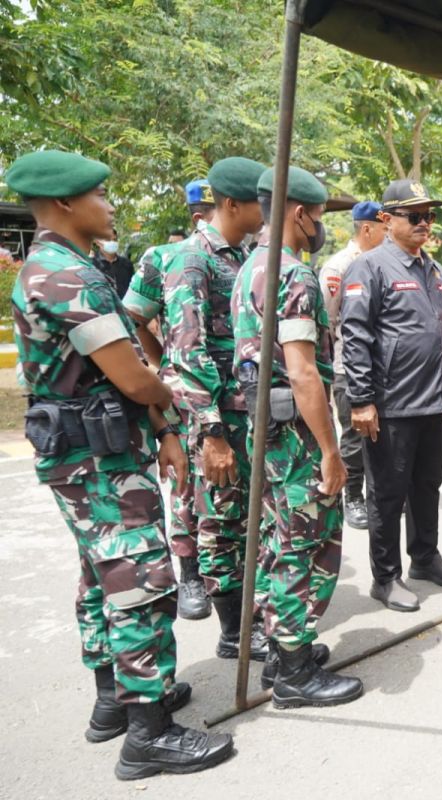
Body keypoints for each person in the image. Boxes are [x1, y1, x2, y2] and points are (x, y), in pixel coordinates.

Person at [8, 149, 232, 778]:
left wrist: (157, 425)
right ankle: (148, 733)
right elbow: (132, 377)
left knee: (101, 576)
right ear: (63, 205)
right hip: (94, 460)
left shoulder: (71, 264)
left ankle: (115, 701)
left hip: (93, 451)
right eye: (100, 196)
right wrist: (172, 395)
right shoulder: (62, 273)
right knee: (141, 579)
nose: (111, 206)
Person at [231, 165, 362, 706]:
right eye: (319, 217)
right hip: (297, 438)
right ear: (300, 213)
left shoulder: (250, 269)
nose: (320, 227)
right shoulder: (294, 275)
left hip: (265, 431)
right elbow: (304, 372)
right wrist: (331, 451)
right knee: (304, 547)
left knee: (276, 541)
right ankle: (293, 672)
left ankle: (283, 651)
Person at [161, 156, 270, 660]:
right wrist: (212, 433)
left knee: (249, 520)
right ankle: (234, 632)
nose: (265, 209)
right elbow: (186, 351)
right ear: (232, 204)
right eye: (258, 202)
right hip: (218, 420)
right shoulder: (193, 259)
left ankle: (253, 619)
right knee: (222, 522)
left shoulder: (241, 255)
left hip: (247, 413)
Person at [342, 179, 442, 613]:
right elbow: (354, 336)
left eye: (429, 216)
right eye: (414, 216)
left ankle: (425, 557)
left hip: (431, 400)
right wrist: (361, 400)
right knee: (387, 494)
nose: (424, 224)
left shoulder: (432, 269)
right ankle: (386, 576)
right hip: (390, 404)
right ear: (386, 219)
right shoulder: (370, 267)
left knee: (427, 485)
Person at [122, 177, 216, 621]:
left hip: (228, 391)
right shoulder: (161, 258)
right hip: (183, 393)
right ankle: (190, 572)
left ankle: (228, 572)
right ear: (198, 216)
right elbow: (135, 316)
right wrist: (164, 364)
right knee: (187, 483)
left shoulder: (245, 258)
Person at [318, 200, 386, 528]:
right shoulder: (338, 267)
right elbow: (326, 324)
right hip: (347, 369)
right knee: (353, 437)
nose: (389, 233)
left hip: (381, 370)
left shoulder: (385, 263)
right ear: (368, 228)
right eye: (385, 227)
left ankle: (375, 495)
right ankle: (353, 498)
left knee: (378, 437)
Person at [93, 233, 135, 298]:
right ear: (97, 242)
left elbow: (132, 286)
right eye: (108, 240)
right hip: (102, 305)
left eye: (114, 240)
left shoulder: (126, 263)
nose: (112, 242)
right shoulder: (92, 264)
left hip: (125, 304)